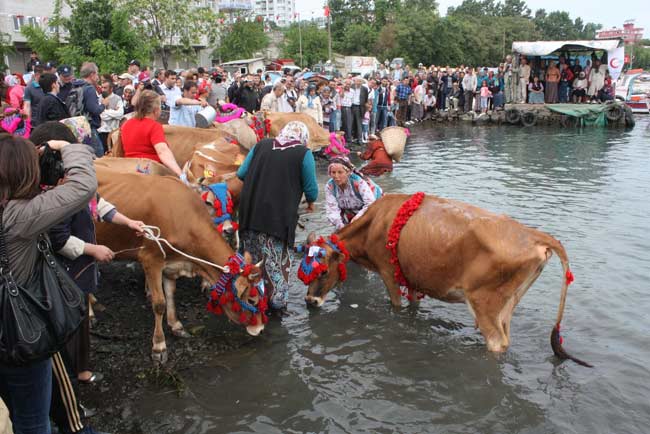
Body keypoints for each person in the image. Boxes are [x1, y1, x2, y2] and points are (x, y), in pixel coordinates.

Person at [0, 133, 96, 434]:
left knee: (15, 411)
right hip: (18, 336)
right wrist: (69, 148)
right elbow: (83, 186)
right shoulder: (18, 216)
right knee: (33, 421)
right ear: (23, 173)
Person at [236, 121, 318, 314]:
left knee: (252, 261)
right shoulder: (303, 153)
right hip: (277, 219)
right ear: (303, 138)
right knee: (276, 266)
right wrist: (311, 202)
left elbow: (241, 173)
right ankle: (276, 307)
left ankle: (249, 299)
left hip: (249, 213)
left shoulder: (261, 144)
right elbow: (311, 190)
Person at [120, 90, 183, 176]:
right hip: (149, 171)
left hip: (129, 169)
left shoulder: (126, 124)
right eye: (160, 106)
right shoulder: (154, 126)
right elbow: (162, 151)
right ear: (156, 110)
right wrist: (180, 174)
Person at [325, 156, 380, 230]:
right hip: (350, 211)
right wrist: (341, 227)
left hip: (373, 207)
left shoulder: (358, 182)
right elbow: (332, 209)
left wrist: (357, 219)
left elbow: (370, 203)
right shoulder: (330, 186)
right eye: (333, 172)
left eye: (340, 172)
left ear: (348, 172)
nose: (336, 176)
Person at [98, 79, 124, 152]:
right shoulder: (99, 98)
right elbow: (102, 116)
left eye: (105, 88)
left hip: (113, 131)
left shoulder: (117, 98)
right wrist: (113, 112)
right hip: (102, 131)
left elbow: (120, 114)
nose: (103, 89)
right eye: (102, 87)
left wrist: (105, 111)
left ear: (111, 88)